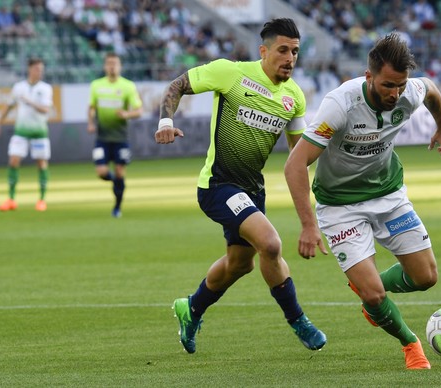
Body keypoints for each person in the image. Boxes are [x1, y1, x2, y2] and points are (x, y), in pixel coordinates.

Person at [284, 33, 441, 369]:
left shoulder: (409, 92)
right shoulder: (340, 105)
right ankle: (410, 343)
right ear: (369, 77)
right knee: (376, 295)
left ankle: (367, 292)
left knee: (426, 278)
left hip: (389, 196)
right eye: (388, 85)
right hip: (340, 207)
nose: (395, 93)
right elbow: (294, 165)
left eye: (400, 85)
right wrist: (307, 225)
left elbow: (431, 89)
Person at [155, 18, 326, 354]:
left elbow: (299, 158)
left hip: (252, 192)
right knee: (271, 244)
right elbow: (176, 86)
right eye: (282, 50)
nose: (290, 57)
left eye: (295, 51)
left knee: (240, 264)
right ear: (263, 50)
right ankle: (298, 320)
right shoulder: (230, 73)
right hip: (218, 186)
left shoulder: (294, 97)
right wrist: (165, 122)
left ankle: (191, 308)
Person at [87, 52, 143, 218]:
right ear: (105, 66)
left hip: (120, 138)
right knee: (102, 172)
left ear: (120, 66)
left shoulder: (128, 86)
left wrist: (127, 114)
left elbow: (139, 110)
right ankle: (117, 183)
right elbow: (91, 107)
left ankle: (117, 207)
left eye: (115, 63)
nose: (112, 66)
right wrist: (90, 122)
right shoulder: (96, 85)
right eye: (109, 63)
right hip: (102, 137)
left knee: (120, 171)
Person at [0, 57, 53, 212]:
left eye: (41, 69)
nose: (39, 72)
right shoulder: (19, 87)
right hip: (21, 131)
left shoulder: (46, 88)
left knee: (41, 164)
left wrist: (30, 102)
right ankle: (11, 199)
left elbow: (46, 110)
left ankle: (42, 199)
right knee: (13, 160)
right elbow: (9, 106)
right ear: (29, 69)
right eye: (37, 69)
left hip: (39, 132)